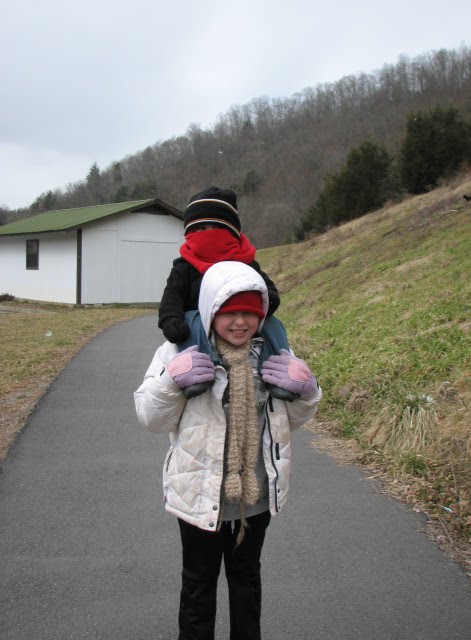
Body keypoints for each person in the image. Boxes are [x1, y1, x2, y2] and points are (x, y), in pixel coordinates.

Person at [135, 261, 321, 640]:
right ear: (210, 310)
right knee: (198, 586)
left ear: (262, 314)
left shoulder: (273, 351)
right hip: (198, 495)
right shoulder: (178, 350)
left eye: (250, 313)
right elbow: (150, 418)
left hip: (255, 498)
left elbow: (291, 420)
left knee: (246, 582)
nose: (240, 322)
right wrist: (171, 382)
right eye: (229, 312)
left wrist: (307, 391)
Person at [158, 185, 280, 345]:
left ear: (232, 232)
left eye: (218, 228)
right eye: (202, 228)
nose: (210, 234)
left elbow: (266, 289)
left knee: (272, 325)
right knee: (191, 321)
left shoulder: (246, 263)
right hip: (198, 339)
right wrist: (171, 320)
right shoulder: (184, 268)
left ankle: (281, 357)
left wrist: (265, 302)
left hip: (242, 332)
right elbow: (171, 299)